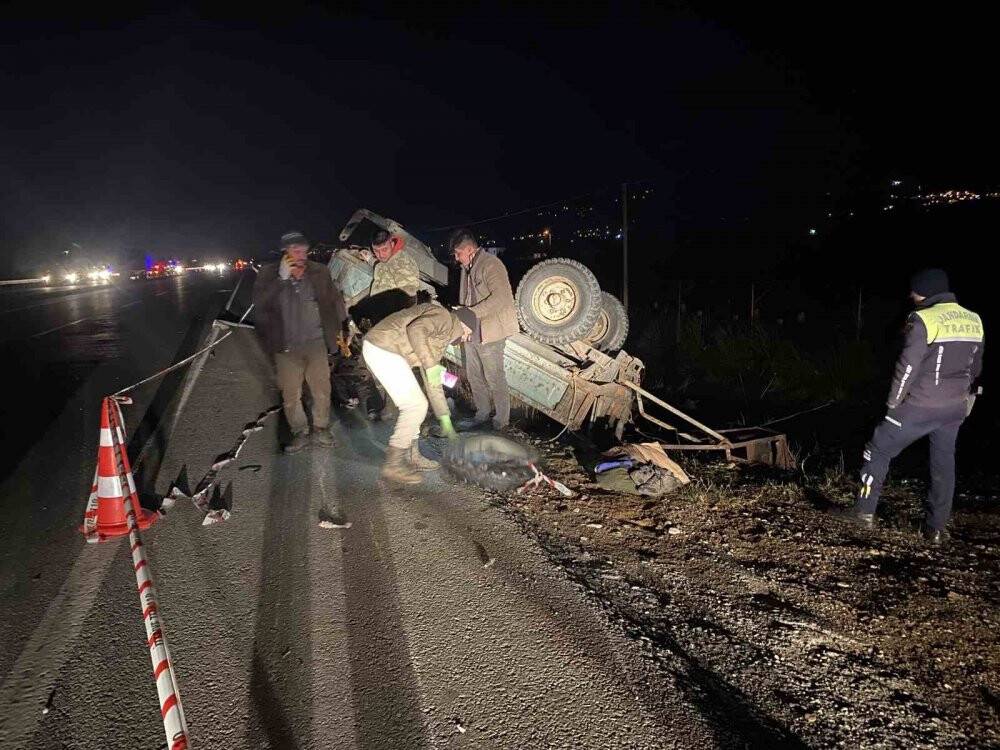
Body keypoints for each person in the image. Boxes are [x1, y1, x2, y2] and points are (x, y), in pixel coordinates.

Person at [829, 269, 984, 544]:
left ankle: (863, 513)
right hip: (955, 408)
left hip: (920, 405)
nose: (911, 296)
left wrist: (893, 403)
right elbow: (975, 367)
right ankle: (936, 528)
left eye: (914, 291)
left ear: (924, 291)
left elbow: (908, 366)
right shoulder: (974, 320)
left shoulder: (922, 318)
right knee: (944, 463)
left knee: (877, 449)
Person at [252, 231, 347, 454]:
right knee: (291, 394)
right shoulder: (269, 274)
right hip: (286, 346)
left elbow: (334, 300)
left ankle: (321, 428)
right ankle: (300, 432)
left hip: (316, 342)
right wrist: (281, 280)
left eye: (304, 250)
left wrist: (344, 325)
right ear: (285, 252)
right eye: (296, 251)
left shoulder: (319, 271)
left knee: (322, 389)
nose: (301, 255)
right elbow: (260, 303)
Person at [363, 303, 476, 484]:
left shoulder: (441, 339)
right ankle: (394, 463)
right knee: (416, 405)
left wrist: (445, 419)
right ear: (464, 324)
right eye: (470, 333)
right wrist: (432, 367)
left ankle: (412, 456)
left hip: (383, 350)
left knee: (417, 403)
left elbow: (433, 381)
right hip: (384, 348)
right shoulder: (444, 317)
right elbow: (416, 330)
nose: (468, 339)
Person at [450, 228, 519, 431]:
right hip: (472, 331)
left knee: (494, 377)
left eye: (458, 253)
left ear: (470, 250)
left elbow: (501, 299)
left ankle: (501, 421)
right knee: (474, 375)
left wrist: (469, 313)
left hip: (491, 331)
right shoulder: (467, 268)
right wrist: (463, 315)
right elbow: (468, 299)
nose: (456, 258)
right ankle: (482, 414)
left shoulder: (491, 264)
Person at [369, 229, 420, 299]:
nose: (381, 255)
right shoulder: (388, 260)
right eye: (376, 251)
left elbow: (408, 296)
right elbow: (383, 267)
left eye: (384, 249)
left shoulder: (402, 263)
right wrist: (370, 259)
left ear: (392, 244)